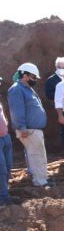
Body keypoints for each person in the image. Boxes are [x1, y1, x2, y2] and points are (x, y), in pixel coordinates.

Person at [7, 63, 49, 187]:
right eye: (33, 77)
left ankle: (41, 179)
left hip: (33, 130)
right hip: (28, 130)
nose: (35, 80)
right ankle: (40, 182)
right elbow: (16, 110)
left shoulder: (26, 88)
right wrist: (22, 127)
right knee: (36, 156)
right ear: (25, 75)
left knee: (39, 155)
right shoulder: (16, 89)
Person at [0, 77, 21, 205]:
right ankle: (3, 197)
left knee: (7, 166)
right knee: (1, 168)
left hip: (5, 136)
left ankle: (4, 192)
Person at [45, 57, 64, 153]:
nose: (61, 69)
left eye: (63, 67)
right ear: (56, 67)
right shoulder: (51, 80)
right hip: (61, 109)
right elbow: (48, 94)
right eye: (59, 67)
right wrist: (60, 95)